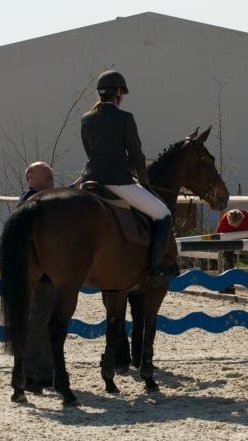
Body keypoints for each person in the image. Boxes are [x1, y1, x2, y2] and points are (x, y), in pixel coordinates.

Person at [80, 70, 176, 287]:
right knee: (163, 214)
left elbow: (89, 152)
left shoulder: (86, 119)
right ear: (118, 93)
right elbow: (136, 154)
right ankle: (156, 269)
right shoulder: (124, 118)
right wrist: (144, 181)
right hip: (118, 182)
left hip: (91, 181)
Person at [18, 162, 56, 394]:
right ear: (31, 176)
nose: (51, 173)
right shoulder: (32, 198)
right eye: (45, 171)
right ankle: (29, 373)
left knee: (45, 321)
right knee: (39, 321)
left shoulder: (39, 198)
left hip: (45, 273)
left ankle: (45, 373)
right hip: (40, 274)